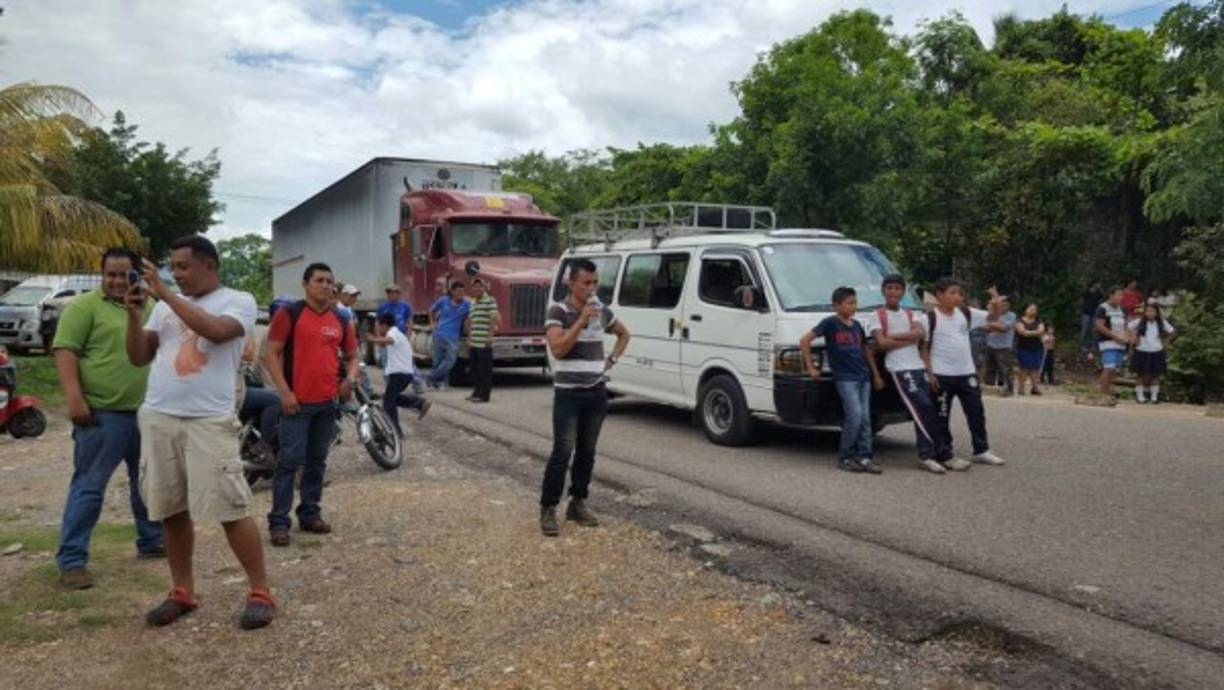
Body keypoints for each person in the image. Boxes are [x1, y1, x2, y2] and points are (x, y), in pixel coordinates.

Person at [124, 235, 273, 630]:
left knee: (230, 507)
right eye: (173, 267)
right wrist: (135, 317)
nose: (177, 274)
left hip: (208, 420)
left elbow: (217, 333)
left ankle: (260, 591)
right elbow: (140, 355)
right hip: (159, 416)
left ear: (210, 265)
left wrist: (167, 295)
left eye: (184, 267)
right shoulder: (163, 306)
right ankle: (182, 591)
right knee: (171, 509)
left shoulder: (237, 300)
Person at [52, 248, 164, 590]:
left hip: (144, 411)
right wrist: (74, 399)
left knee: (145, 483)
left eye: (124, 274)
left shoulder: (152, 308)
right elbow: (65, 350)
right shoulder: (83, 307)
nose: (117, 281)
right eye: (110, 274)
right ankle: (72, 561)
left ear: (138, 276)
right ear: (102, 275)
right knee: (89, 487)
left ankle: (150, 540)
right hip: (102, 414)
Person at [263, 263, 359, 548]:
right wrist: (285, 393)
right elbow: (271, 354)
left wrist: (350, 381)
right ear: (305, 284)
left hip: (328, 404)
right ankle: (279, 522)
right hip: (297, 405)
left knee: (317, 462)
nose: (326, 285)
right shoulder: (289, 313)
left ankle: (310, 513)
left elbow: (353, 356)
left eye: (330, 281)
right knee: (289, 463)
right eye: (319, 280)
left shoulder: (342, 319)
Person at [539, 259, 630, 537]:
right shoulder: (558, 310)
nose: (591, 288)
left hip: (596, 391)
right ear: (571, 283)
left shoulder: (601, 310)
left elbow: (624, 334)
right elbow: (557, 349)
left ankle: (577, 503)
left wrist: (611, 360)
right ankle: (548, 508)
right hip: (568, 394)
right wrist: (581, 320)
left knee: (587, 452)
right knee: (562, 451)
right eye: (586, 283)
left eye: (595, 283)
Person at [921, 278, 1007, 470]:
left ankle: (981, 450)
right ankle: (946, 452)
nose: (957, 296)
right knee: (942, 415)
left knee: (976, 412)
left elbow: (993, 318)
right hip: (941, 374)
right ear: (939, 295)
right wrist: (930, 372)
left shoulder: (966, 313)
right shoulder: (929, 318)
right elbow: (924, 348)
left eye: (959, 293)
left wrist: (995, 301)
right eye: (951, 292)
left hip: (966, 372)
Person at [868, 275, 946, 474]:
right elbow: (881, 344)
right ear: (883, 291)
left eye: (897, 288)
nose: (893, 291)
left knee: (930, 407)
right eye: (889, 288)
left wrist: (892, 337)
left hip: (917, 366)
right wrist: (908, 339)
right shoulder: (877, 315)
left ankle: (937, 451)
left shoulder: (912, 314)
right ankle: (926, 454)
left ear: (903, 292)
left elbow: (919, 334)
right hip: (898, 368)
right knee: (922, 406)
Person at [801, 287, 883, 474]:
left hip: (863, 377)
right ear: (837, 305)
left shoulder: (856, 326)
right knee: (854, 416)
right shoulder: (830, 323)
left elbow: (865, 350)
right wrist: (811, 367)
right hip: (845, 378)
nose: (853, 306)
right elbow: (805, 340)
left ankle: (865, 456)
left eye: (855, 302)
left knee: (865, 419)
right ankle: (845, 456)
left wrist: (876, 374)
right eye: (849, 303)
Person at [366, 312, 431, 437]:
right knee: (392, 398)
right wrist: (376, 337)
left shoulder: (393, 333)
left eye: (379, 326)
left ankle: (395, 431)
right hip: (404, 374)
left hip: (399, 373)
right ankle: (419, 403)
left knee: (389, 402)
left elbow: (388, 340)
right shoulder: (398, 333)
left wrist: (373, 338)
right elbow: (382, 344)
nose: (378, 329)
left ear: (384, 325)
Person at [426, 281, 471, 390]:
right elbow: (431, 310)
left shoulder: (466, 304)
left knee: (450, 360)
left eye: (463, 291)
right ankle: (439, 383)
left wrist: (469, 332)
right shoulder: (443, 300)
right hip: (439, 333)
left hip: (453, 336)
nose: (461, 294)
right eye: (459, 291)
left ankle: (430, 376)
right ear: (452, 291)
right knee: (438, 360)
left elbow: (470, 318)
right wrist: (432, 323)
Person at [1128, 302, 1175, 403]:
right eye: (1148, 311)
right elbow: (1128, 327)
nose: (1150, 313)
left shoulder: (1161, 322)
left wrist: (1166, 342)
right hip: (1141, 350)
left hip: (1157, 350)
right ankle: (1140, 397)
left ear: (1157, 313)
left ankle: (1154, 397)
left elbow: (1172, 331)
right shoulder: (1139, 321)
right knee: (1140, 374)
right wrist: (1133, 338)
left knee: (1155, 375)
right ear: (1144, 312)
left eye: (1152, 311)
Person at [465, 278, 500, 403]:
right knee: (474, 369)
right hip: (474, 340)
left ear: (484, 288)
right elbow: (470, 320)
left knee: (484, 370)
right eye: (475, 287)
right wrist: (469, 336)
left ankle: (484, 396)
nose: (477, 289)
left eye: (480, 286)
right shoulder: (473, 302)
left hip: (484, 341)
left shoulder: (490, 300)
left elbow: (494, 319)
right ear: (472, 289)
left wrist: (490, 336)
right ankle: (476, 392)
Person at [1095, 287, 1131, 397]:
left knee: (1114, 368)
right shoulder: (1103, 308)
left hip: (1121, 342)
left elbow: (1125, 325)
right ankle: (1101, 392)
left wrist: (1126, 337)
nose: (1120, 298)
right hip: (1108, 342)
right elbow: (1099, 326)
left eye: (1121, 295)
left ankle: (1108, 389)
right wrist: (1115, 337)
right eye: (1118, 295)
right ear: (1111, 295)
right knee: (1108, 367)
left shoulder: (1122, 309)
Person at [983, 295, 1017, 395]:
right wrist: (994, 326)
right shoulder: (992, 314)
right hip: (990, 345)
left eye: (1006, 305)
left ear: (1009, 306)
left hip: (1004, 347)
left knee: (1005, 370)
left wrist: (992, 325)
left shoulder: (1012, 315)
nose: (1003, 306)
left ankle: (1008, 390)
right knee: (989, 369)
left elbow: (1004, 329)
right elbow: (985, 328)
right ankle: (989, 389)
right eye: (1001, 304)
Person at [376, 285, 412, 370]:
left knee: (401, 362)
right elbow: (377, 322)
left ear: (399, 294)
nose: (391, 295)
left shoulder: (405, 306)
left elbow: (410, 322)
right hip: (386, 339)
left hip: (399, 340)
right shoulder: (382, 307)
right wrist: (379, 337)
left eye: (394, 293)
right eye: (389, 293)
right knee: (386, 363)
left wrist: (408, 336)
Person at [1014, 304, 1046, 396]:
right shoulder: (1020, 321)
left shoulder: (1039, 321)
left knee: (1035, 368)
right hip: (1023, 348)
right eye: (1031, 308)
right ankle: (1021, 387)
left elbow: (1041, 331)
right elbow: (1021, 332)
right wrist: (1035, 333)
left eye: (1035, 309)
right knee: (1023, 368)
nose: (1033, 311)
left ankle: (1035, 388)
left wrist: (1028, 332)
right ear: (1026, 310)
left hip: (1036, 348)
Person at [1080, 282, 1104, 354]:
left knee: (1094, 330)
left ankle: (1093, 346)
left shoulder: (1098, 293)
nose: (1099, 285)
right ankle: (1082, 346)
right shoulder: (1087, 291)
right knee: (1085, 329)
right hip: (1086, 313)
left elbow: (1102, 298)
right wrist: (1084, 307)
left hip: (1095, 313)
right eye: (1098, 283)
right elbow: (1081, 300)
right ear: (1094, 284)